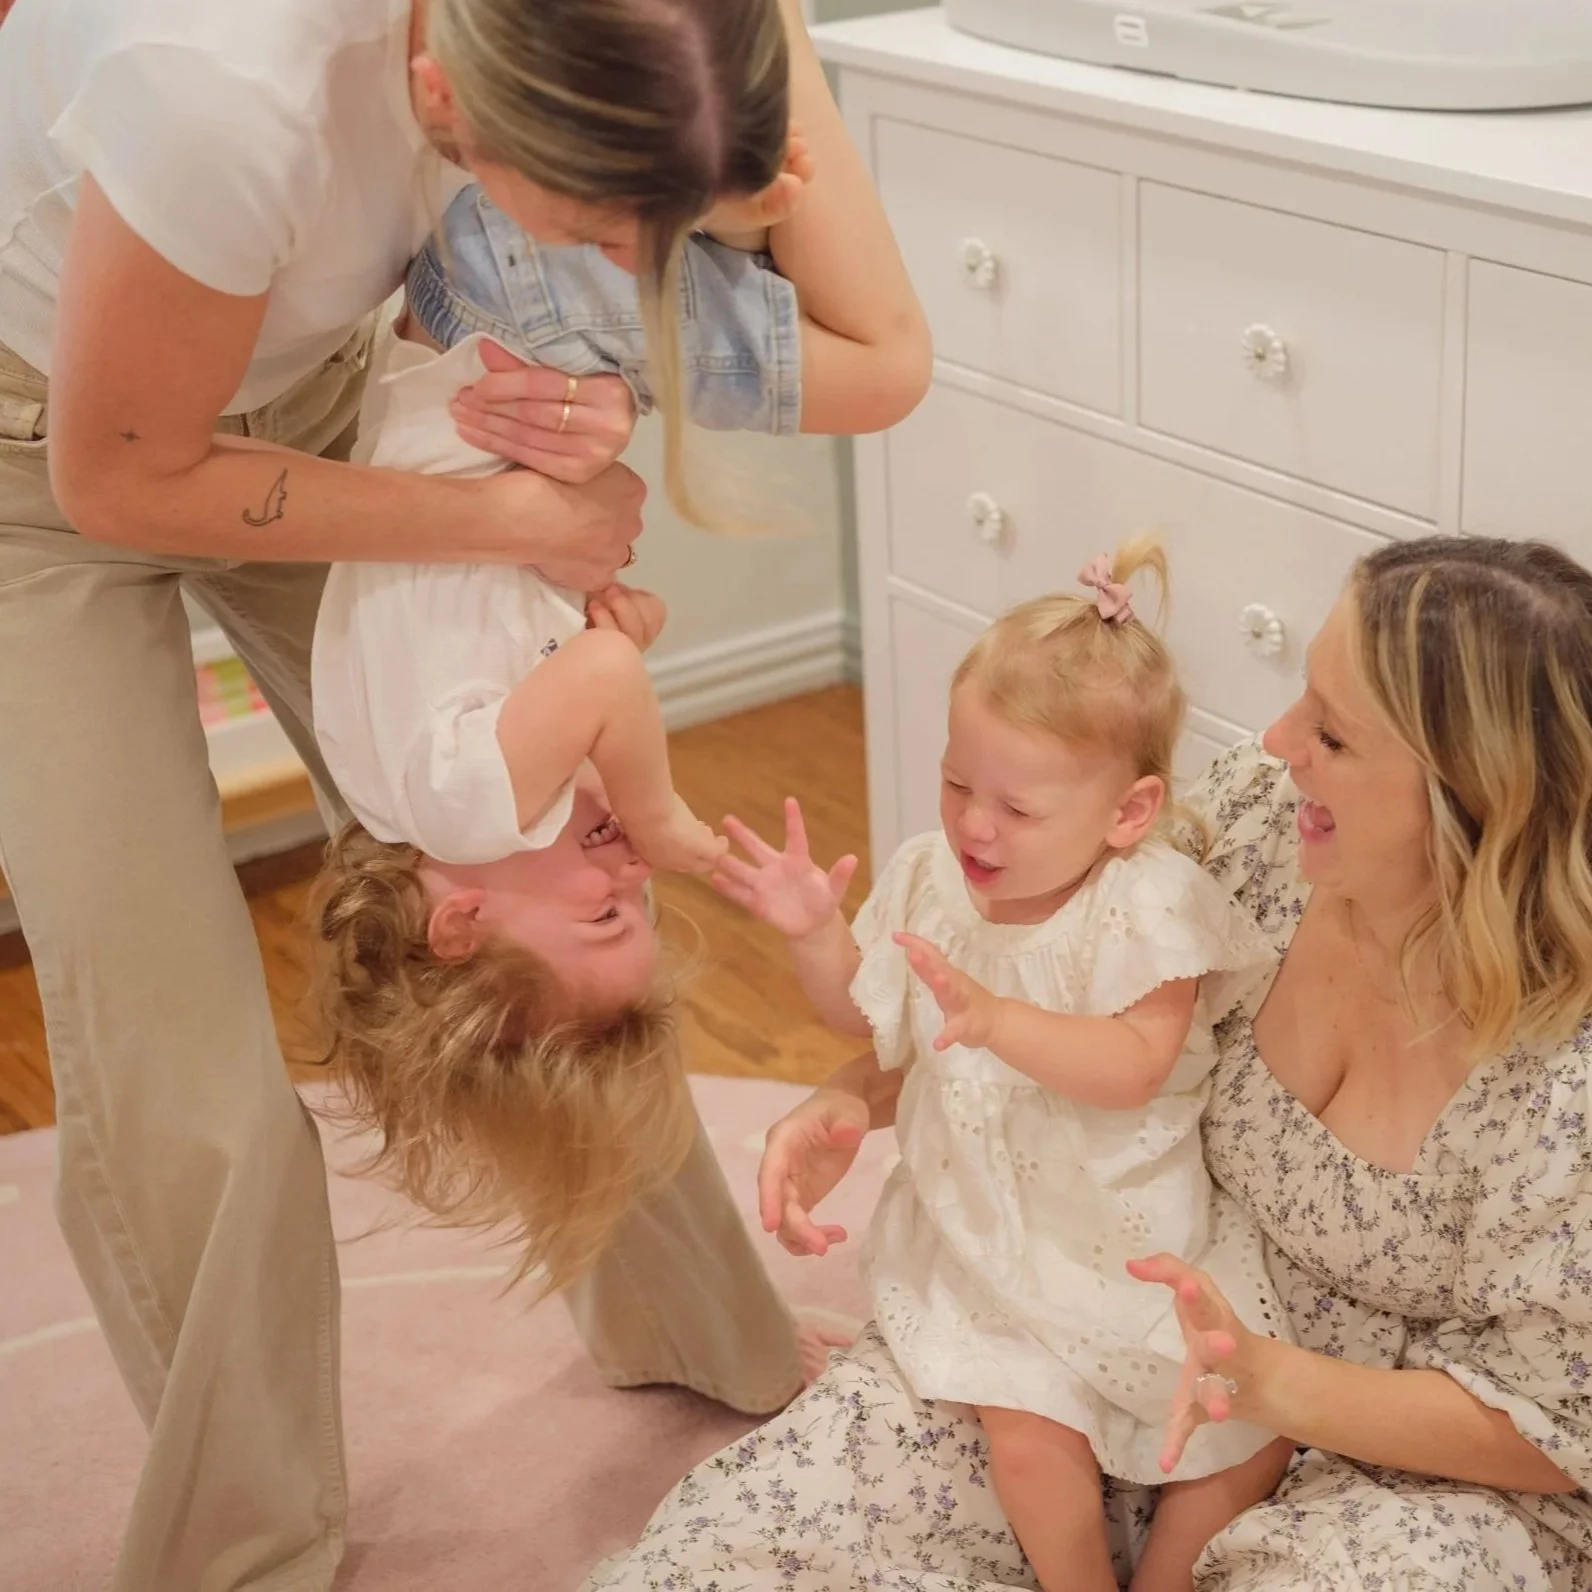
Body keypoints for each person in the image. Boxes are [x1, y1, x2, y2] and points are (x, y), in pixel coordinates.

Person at [0, 0, 927, 1587]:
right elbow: (120, 475)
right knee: (189, 1085)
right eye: (588, 227)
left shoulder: (677, 27)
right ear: (444, 100)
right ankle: (250, 1550)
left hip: (316, 410)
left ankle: (701, 1330)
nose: (619, 272)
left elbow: (871, 354)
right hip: (41, 466)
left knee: (569, 898)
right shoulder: (225, 83)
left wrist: (605, 407)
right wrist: (513, 527)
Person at [584, 534, 1592, 1592]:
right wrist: (852, 1092)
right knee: (736, 1550)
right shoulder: (1261, 824)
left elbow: (1559, 1417)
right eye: (1301, 696)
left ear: (1472, 793)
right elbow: (1038, 996)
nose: (1274, 737)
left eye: (1331, 732)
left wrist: (1270, 1383)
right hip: (1111, 1313)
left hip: (1412, 1465)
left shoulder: (1562, 1080)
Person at [311, 124, 928, 1293]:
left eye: (603, 918)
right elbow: (497, 625)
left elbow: (598, 688)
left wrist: (659, 814)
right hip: (472, 298)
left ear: (458, 927)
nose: (631, 881)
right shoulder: (384, 784)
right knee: (750, 220)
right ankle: (706, 143)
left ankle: (759, 81)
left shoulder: (471, 803)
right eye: (639, 902)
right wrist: (599, 624)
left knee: (883, 369)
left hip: (523, 314)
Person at [706, 544, 1292, 1591]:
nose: (973, 822)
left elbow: (1131, 1065)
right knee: (1027, 1431)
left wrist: (995, 1016)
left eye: (1015, 808)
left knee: (1247, 1431)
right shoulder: (931, 875)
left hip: (1127, 1230)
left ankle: (1165, 1575)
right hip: (987, 1229)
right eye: (953, 781)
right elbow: (868, 1015)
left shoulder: (1144, 902)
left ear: (1126, 811)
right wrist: (810, 933)